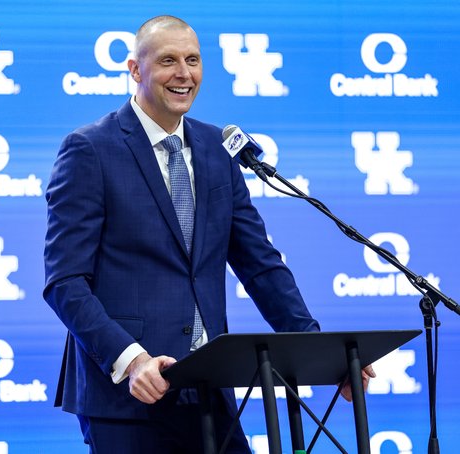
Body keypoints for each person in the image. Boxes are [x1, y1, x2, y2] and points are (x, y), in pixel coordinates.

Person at [44, 15, 373, 453]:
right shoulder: (90, 149)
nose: (184, 74)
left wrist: (320, 352)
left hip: (209, 388)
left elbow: (260, 266)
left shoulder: (219, 150)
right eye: (168, 61)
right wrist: (131, 359)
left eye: (193, 60)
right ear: (136, 70)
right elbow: (65, 282)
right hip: (128, 394)